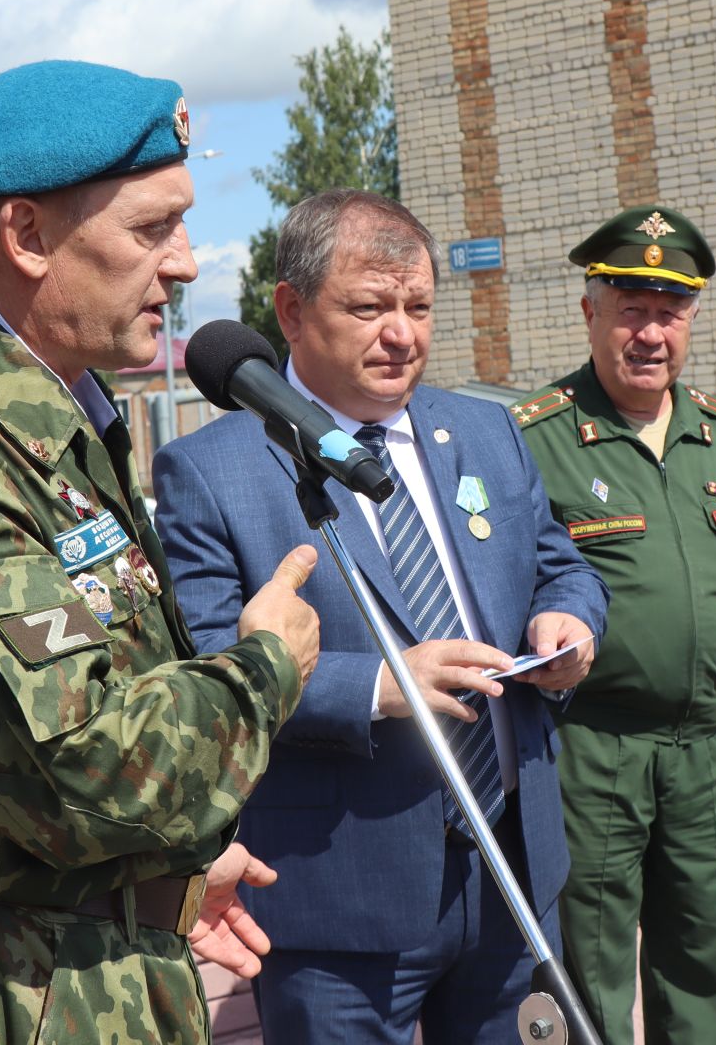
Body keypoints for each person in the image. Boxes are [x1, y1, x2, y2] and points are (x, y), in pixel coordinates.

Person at [0, 61, 322, 1043]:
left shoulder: (46, 415)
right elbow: (85, 770)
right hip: (14, 998)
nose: (188, 262)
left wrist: (162, 882)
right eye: (151, 228)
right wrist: (262, 671)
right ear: (28, 236)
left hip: (84, 965)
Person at [153, 189, 608, 1045]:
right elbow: (209, 668)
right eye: (369, 308)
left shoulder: (486, 429)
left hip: (513, 867)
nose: (402, 333)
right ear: (291, 310)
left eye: (419, 306)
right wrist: (381, 687)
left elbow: (561, 565)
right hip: (341, 899)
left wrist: (567, 624)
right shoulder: (210, 471)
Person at [514, 205, 716, 1045]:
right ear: (590, 310)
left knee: (703, 947)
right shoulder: (535, 437)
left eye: (669, 312)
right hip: (592, 743)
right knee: (590, 956)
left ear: (691, 318)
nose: (650, 332)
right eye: (631, 308)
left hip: (704, 741)